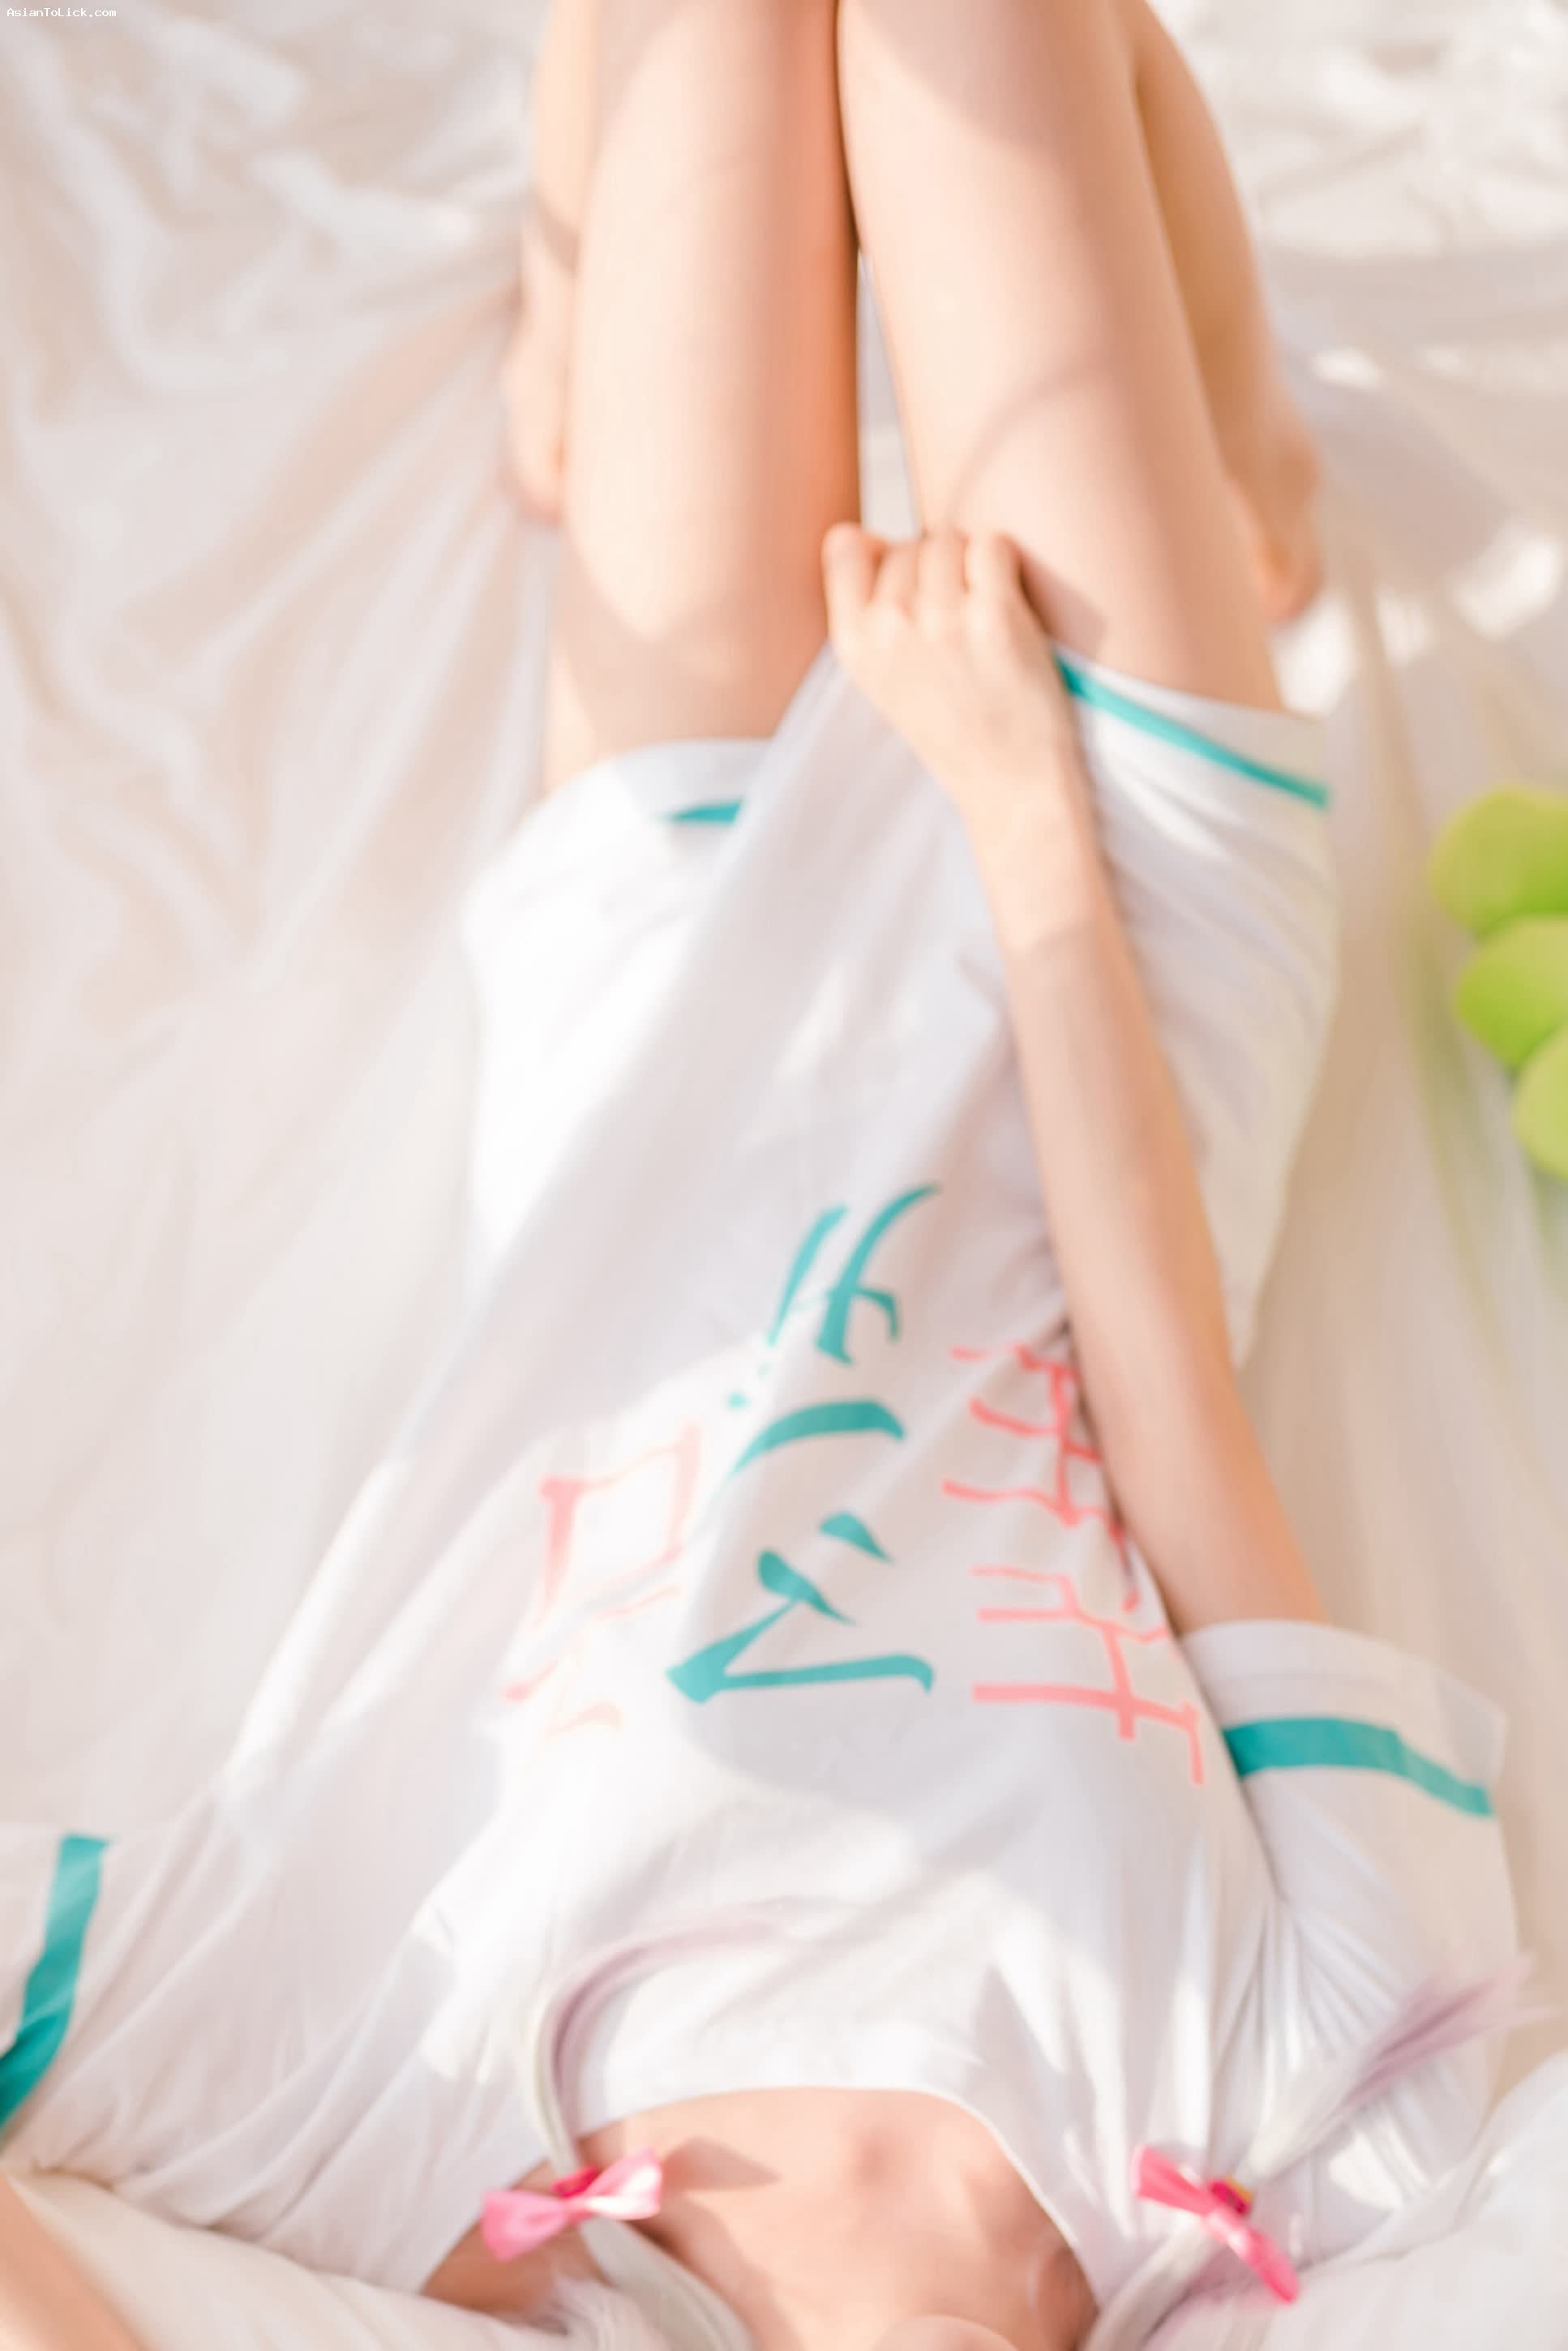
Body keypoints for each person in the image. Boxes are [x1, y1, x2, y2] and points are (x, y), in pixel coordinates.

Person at [0, 5, 1523, 2351]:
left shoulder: (425, 2118)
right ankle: (1244, 465)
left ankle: (572, 317)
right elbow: (1168, 1412)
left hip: (670, 961)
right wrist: (1017, 809)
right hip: (1120, 945)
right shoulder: (1306, 2120)